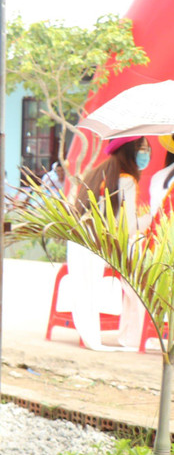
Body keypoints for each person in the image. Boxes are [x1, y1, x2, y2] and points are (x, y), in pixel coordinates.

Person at [70, 136, 149, 350]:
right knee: (148, 272)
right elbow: (128, 229)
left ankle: (132, 335)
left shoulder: (98, 172)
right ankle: (137, 336)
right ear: (130, 151)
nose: (146, 155)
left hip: (83, 245)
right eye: (142, 149)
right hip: (101, 248)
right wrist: (150, 218)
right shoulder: (126, 180)